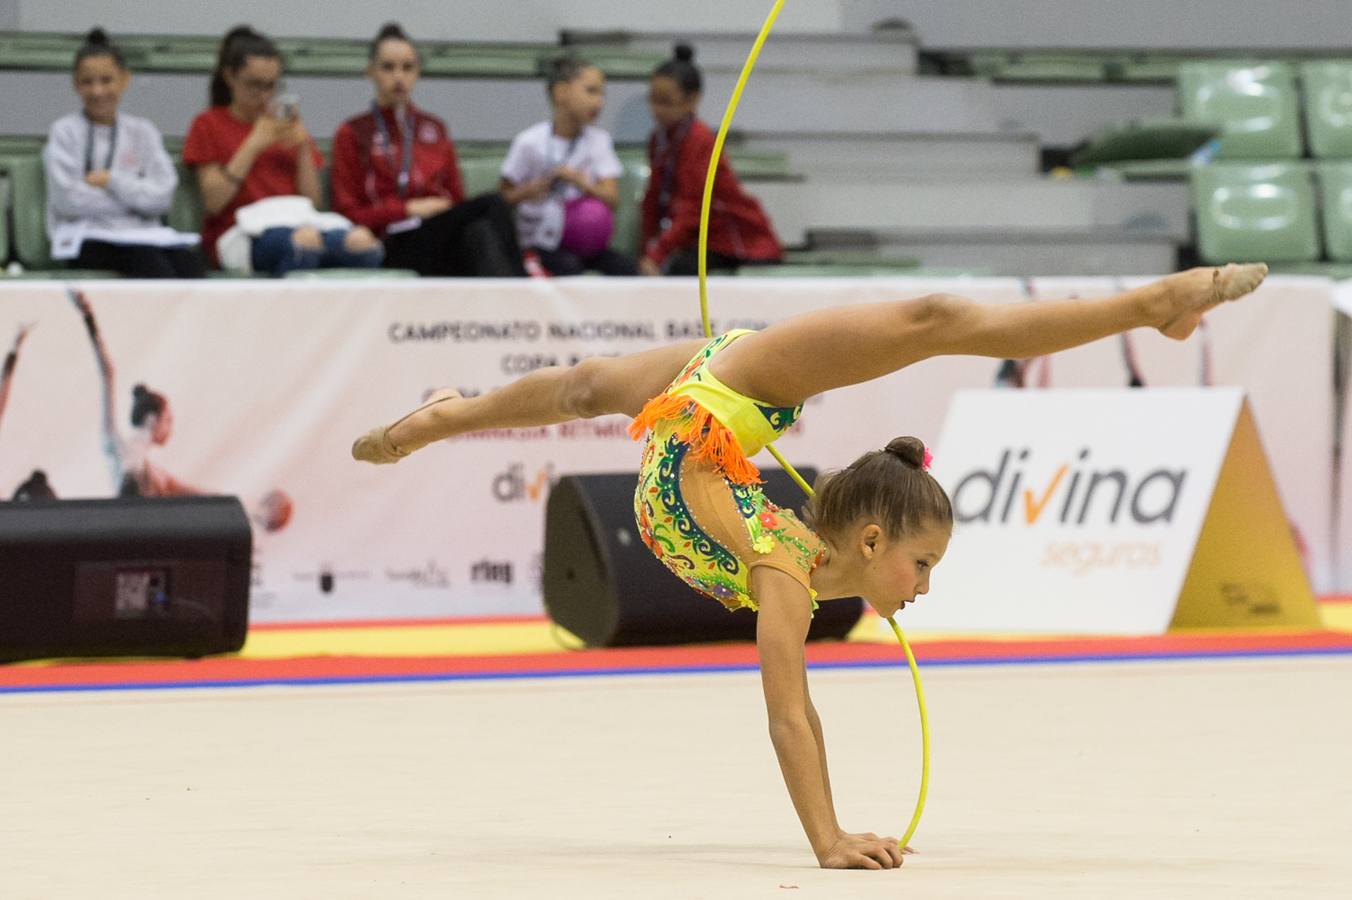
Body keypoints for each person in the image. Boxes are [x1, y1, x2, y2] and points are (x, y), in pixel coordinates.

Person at [352, 263, 1268, 867]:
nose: (927, 585)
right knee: (934, 319)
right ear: (870, 544)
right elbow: (789, 712)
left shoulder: (800, 555)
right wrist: (826, 839)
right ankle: (1157, 305)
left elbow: (787, 660)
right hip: (728, 398)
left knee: (587, 386)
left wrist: (719, 469)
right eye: (923, 563)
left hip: (705, 414)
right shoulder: (782, 570)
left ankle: (441, 412)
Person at [183, 26, 383, 276]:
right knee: (302, 243)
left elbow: (313, 201)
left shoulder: (286, 126)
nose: (264, 95)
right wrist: (254, 144)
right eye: (254, 85)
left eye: (271, 86)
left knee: (362, 244)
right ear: (230, 77)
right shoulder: (208, 123)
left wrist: (301, 149)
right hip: (240, 230)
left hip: (296, 219)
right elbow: (213, 202)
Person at [330, 23, 526, 277]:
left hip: (439, 232)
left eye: (407, 68)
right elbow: (347, 214)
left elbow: (456, 199)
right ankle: (527, 292)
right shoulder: (352, 132)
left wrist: (439, 210)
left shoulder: (434, 127)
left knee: (479, 233)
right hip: (391, 241)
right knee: (493, 204)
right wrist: (408, 209)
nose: (399, 77)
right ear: (371, 72)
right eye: (388, 67)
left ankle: (511, 310)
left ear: (418, 72)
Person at [43, 28, 204, 278]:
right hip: (86, 237)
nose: (98, 92)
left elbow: (163, 197)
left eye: (106, 80)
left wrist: (112, 181)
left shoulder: (143, 131)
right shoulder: (64, 132)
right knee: (150, 265)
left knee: (191, 264)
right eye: (88, 82)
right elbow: (69, 201)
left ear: (124, 80)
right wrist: (136, 201)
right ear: (75, 84)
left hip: (143, 234)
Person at [640, 44, 782, 277]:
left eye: (666, 102)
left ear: (692, 100)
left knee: (679, 269)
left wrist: (658, 253)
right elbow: (652, 199)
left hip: (735, 239)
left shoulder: (700, 139)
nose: (657, 110)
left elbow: (693, 207)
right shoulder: (659, 139)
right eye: (653, 100)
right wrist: (646, 249)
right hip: (698, 239)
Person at [498, 56, 636, 276]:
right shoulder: (529, 142)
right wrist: (528, 192)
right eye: (591, 91)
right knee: (568, 268)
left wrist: (582, 182)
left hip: (589, 246)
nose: (599, 102)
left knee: (626, 268)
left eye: (602, 94)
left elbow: (612, 199)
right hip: (541, 244)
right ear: (561, 92)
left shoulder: (599, 141)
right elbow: (501, 199)